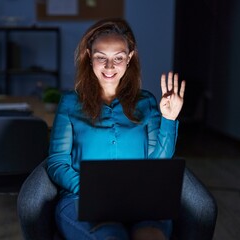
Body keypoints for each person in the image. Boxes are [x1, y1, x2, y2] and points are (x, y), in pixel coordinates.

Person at [46, 18, 186, 240]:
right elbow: (57, 162)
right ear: (89, 56)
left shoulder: (147, 102)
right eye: (101, 57)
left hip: (140, 199)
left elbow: (157, 165)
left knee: (150, 236)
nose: (109, 67)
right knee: (112, 236)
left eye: (118, 58)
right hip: (81, 199)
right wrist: (93, 191)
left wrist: (169, 119)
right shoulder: (70, 103)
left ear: (129, 58)